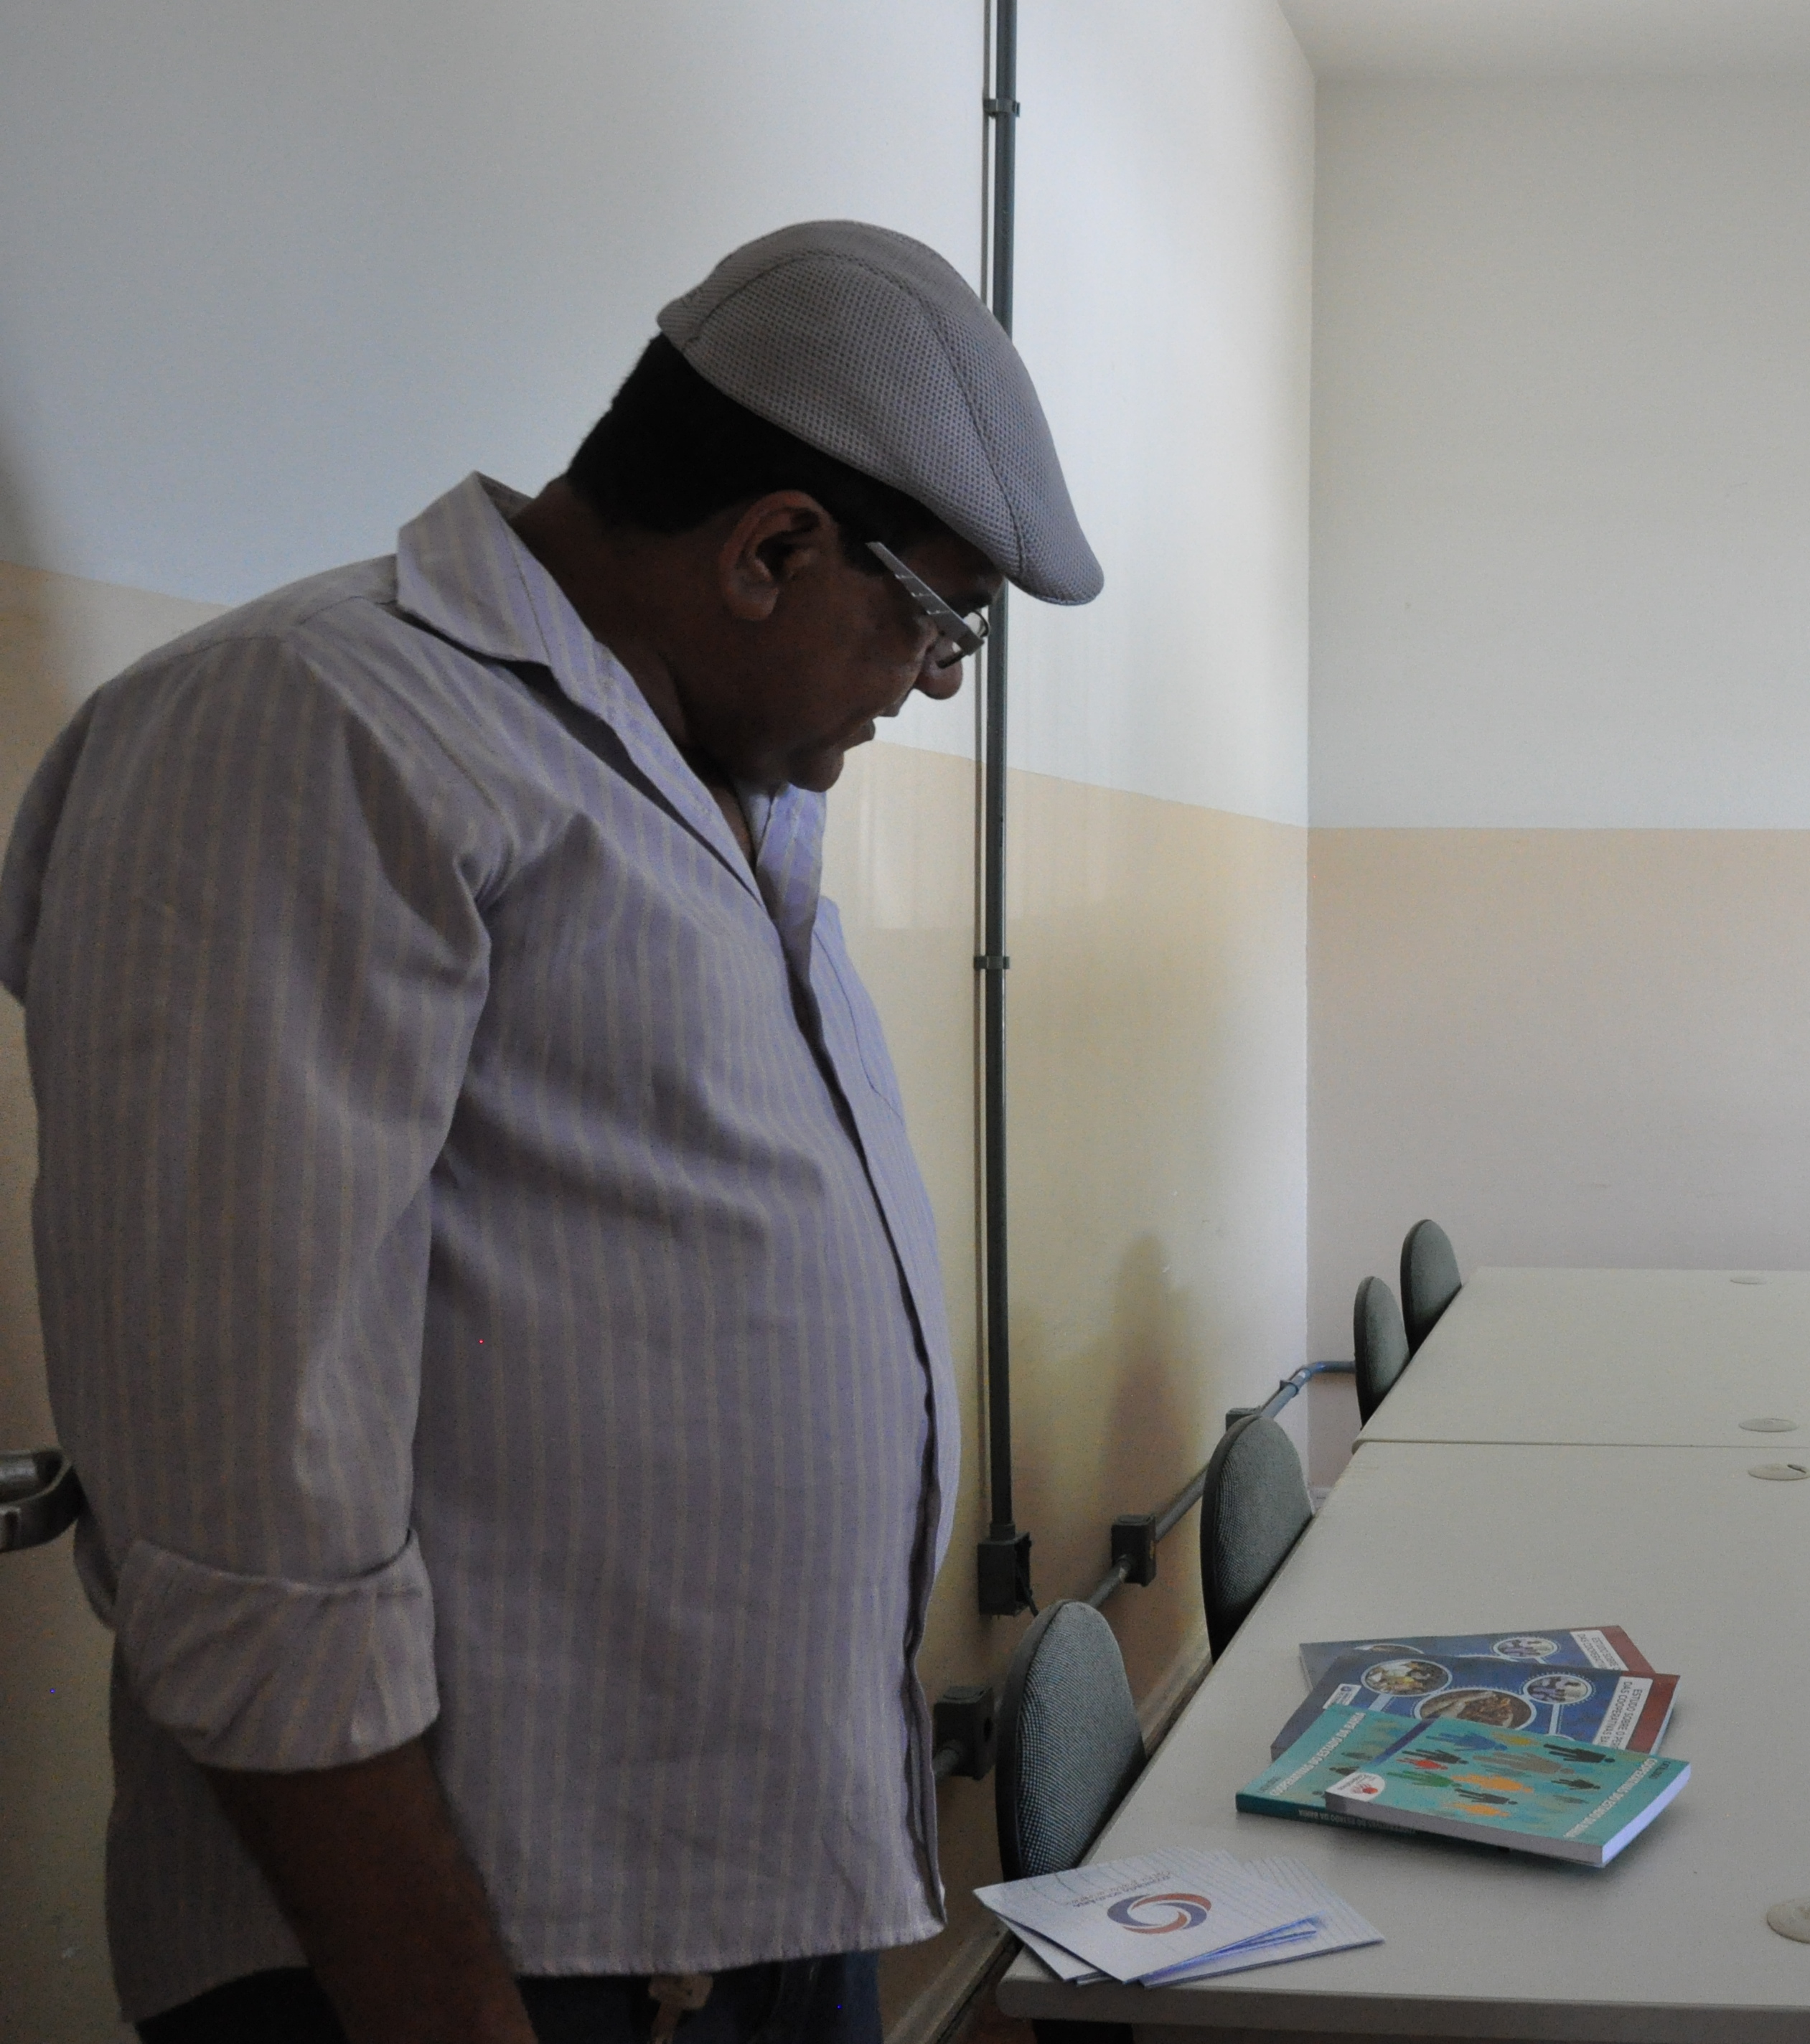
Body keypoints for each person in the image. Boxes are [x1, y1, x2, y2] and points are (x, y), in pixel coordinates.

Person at [0, 221, 1102, 2044]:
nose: (931, 680)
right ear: (771, 548)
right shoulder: (316, 725)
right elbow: (245, 1506)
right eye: (940, 619)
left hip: (751, 1900)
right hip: (472, 1961)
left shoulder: (714, 792)